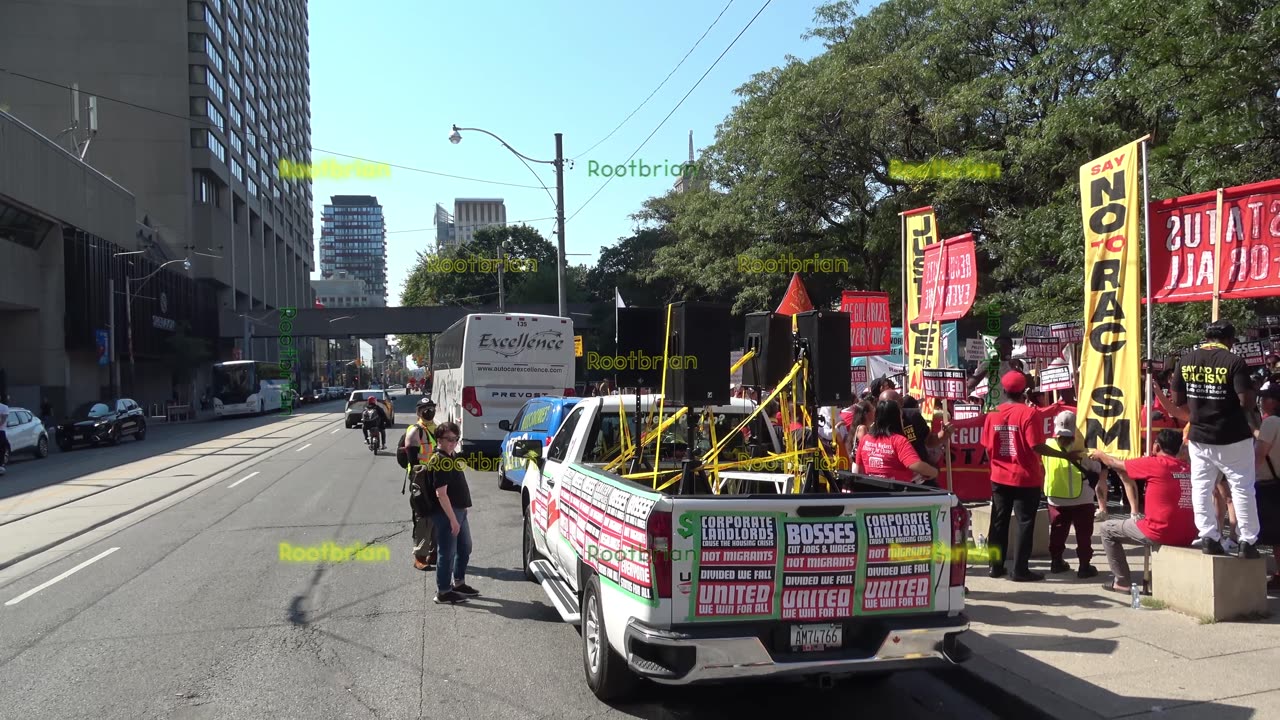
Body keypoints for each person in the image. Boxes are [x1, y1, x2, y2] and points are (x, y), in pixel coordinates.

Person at [1171, 320, 1260, 558]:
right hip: (1232, 437)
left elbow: (1177, 398)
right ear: (1230, 341)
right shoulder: (1234, 361)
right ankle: (1248, 541)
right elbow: (1246, 403)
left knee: (1201, 487)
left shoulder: (1186, 360)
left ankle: (1208, 537)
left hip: (1199, 437)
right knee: (1242, 488)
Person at [981, 371, 1081, 581]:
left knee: (998, 521)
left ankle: (995, 566)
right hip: (1025, 477)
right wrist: (1063, 454)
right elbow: (1036, 446)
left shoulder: (992, 414)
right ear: (1025, 391)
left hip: (999, 476)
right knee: (1024, 522)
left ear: (1005, 390)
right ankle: (1020, 570)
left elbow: (987, 447)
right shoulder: (1028, 414)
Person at [1090, 429, 1196, 593]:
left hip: (1159, 530)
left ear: (1157, 447)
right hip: (1189, 533)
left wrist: (1100, 454)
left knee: (1106, 529)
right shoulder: (1188, 468)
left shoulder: (1154, 463)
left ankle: (1122, 582)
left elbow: (1114, 463)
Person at [1043, 410, 1103, 578]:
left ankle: (1056, 562)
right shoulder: (1082, 450)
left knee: (1057, 532)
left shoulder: (1047, 445)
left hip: (1055, 497)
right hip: (1082, 498)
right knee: (1083, 534)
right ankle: (1084, 566)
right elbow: (1095, 469)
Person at [427, 422, 478, 604]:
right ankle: (443, 591)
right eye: (449, 439)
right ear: (439, 440)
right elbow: (441, 494)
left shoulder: (450, 455)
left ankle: (458, 583)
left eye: (456, 439)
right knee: (447, 552)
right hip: (447, 514)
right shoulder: (441, 460)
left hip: (458, 511)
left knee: (465, 547)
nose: (453, 443)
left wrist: (462, 511)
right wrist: (453, 520)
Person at [854, 398, 938, 483]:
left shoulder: (865, 439)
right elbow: (916, 465)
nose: (903, 420)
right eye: (901, 417)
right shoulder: (899, 441)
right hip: (897, 492)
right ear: (896, 419)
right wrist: (934, 472)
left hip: (872, 491)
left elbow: (859, 470)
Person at [405, 397, 439, 570]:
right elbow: (412, 460)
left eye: (431, 407)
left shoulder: (437, 428)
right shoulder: (415, 431)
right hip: (421, 478)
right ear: (418, 412)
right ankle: (420, 555)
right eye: (425, 408)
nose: (429, 411)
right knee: (423, 516)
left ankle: (434, 553)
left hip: (438, 477)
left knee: (439, 516)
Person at [1254, 386, 1280, 591]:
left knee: (1275, 535)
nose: (1261, 402)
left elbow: (1260, 453)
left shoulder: (1271, 422)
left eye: (1265, 398)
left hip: (1270, 483)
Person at [0, 396, 9, 476]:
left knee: (2, 448)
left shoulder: (4, 407)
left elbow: (3, 420)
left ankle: (1, 465)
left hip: (1, 431)